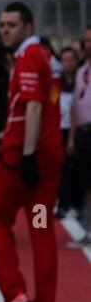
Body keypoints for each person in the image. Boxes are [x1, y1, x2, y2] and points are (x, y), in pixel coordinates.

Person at [0, 2, 63, 302]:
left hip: (22, 157)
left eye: (12, 25)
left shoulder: (29, 58)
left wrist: (27, 155)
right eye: (2, 25)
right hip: (47, 158)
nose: (5, 30)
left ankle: (14, 292)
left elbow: (31, 107)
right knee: (41, 228)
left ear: (28, 28)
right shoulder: (45, 57)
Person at [70, 40, 91, 244]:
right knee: (87, 184)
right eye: (87, 41)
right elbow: (75, 105)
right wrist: (72, 137)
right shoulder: (81, 71)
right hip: (84, 133)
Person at [55, 46, 79, 217]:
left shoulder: (82, 80)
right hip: (59, 129)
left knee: (77, 169)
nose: (68, 63)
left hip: (77, 129)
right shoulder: (57, 82)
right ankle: (63, 202)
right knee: (61, 168)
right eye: (65, 60)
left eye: (71, 59)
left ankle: (76, 203)